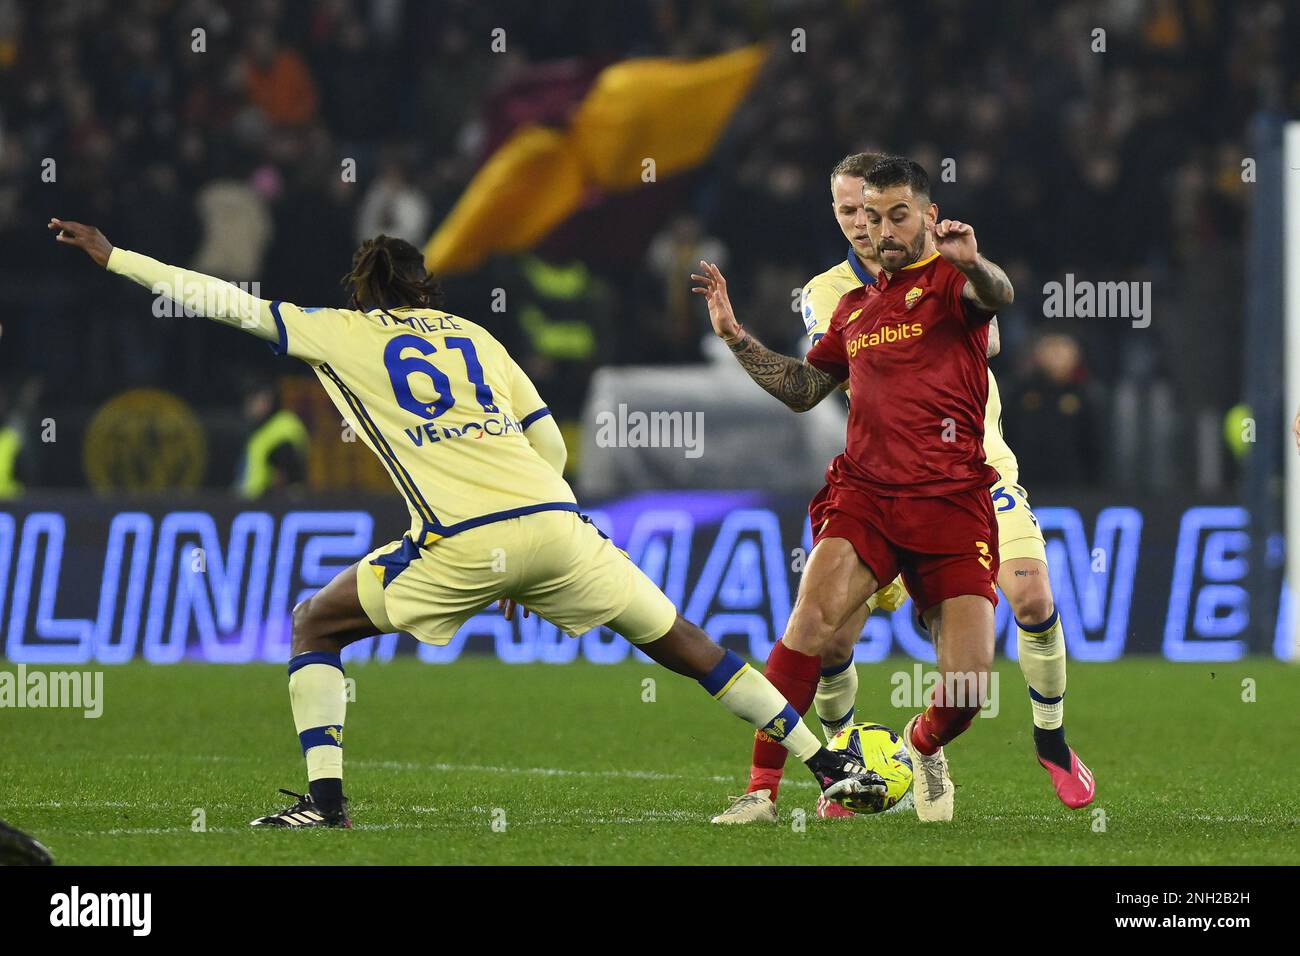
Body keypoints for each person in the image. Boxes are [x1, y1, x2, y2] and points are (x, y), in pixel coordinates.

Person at [50, 217, 887, 828]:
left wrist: (116, 255)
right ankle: (829, 763)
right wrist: (529, 557)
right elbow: (545, 448)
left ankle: (326, 804)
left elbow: (224, 302)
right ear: (427, 288)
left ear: (364, 291)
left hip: (467, 539)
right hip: (559, 526)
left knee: (314, 622)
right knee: (689, 646)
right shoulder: (476, 338)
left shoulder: (337, 333)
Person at [708, 154, 1095, 824]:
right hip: (868, 495)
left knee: (970, 687)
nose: (877, 227)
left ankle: (923, 743)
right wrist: (737, 338)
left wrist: (972, 264)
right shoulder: (850, 307)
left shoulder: (951, 282)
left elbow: (997, 299)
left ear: (927, 217)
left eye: (894, 215)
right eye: (862, 214)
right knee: (813, 628)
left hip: (955, 497)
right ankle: (764, 790)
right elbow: (804, 388)